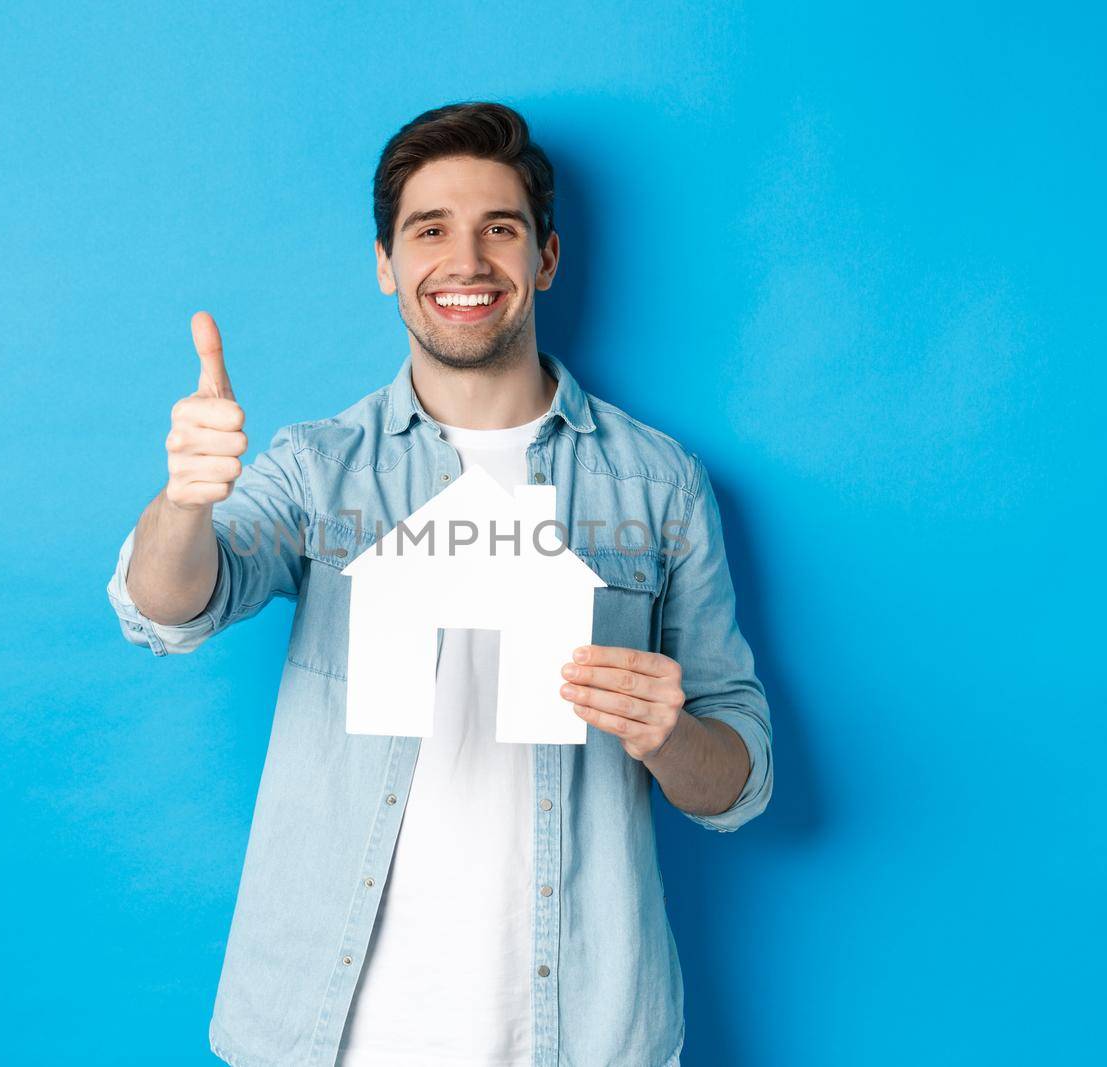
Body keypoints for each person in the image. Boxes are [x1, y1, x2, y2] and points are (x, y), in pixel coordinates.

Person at [106, 101, 772, 1067]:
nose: (465, 261)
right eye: (429, 230)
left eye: (499, 228)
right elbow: (171, 607)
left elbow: (740, 777)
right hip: (327, 1030)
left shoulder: (659, 482)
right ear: (386, 264)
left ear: (544, 258)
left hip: (582, 1031)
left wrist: (671, 737)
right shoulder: (317, 467)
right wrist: (184, 504)